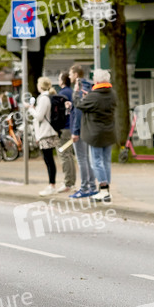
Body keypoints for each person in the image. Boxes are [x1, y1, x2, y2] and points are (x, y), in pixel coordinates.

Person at [74, 69, 117, 203]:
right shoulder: (112, 94)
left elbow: (79, 104)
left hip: (96, 134)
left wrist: (76, 93)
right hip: (109, 132)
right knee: (106, 161)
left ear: (97, 81)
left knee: (96, 162)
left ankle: (103, 190)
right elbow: (98, 103)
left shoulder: (94, 96)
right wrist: (89, 96)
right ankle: (106, 190)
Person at [28, 77, 63, 196]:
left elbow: (39, 117)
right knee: (49, 159)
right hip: (50, 131)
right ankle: (51, 184)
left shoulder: (43, 98)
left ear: (40, 86)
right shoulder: (49, 97)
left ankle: (52, 185)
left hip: (45, 132)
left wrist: (31, 109)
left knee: (48, 160)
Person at [67, 65, 96, 198]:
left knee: (81, 159)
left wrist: (75, 131)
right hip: (87, 127)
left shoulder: (79, 88)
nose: (69, 76)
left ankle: (84, 188)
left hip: (80, 129)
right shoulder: (87, 87)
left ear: (76, 75)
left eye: (70, 74)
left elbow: (79, 111)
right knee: (87, 159)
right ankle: (92, 186)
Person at [54, 73, 76, 190]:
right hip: (71, 127)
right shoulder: (72, 92)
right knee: (69, 155)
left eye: (59, 78)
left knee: (63, 155)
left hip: (64, 127)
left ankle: (68, 183)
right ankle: (71, 181)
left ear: (62, 81)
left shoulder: (62, 94)